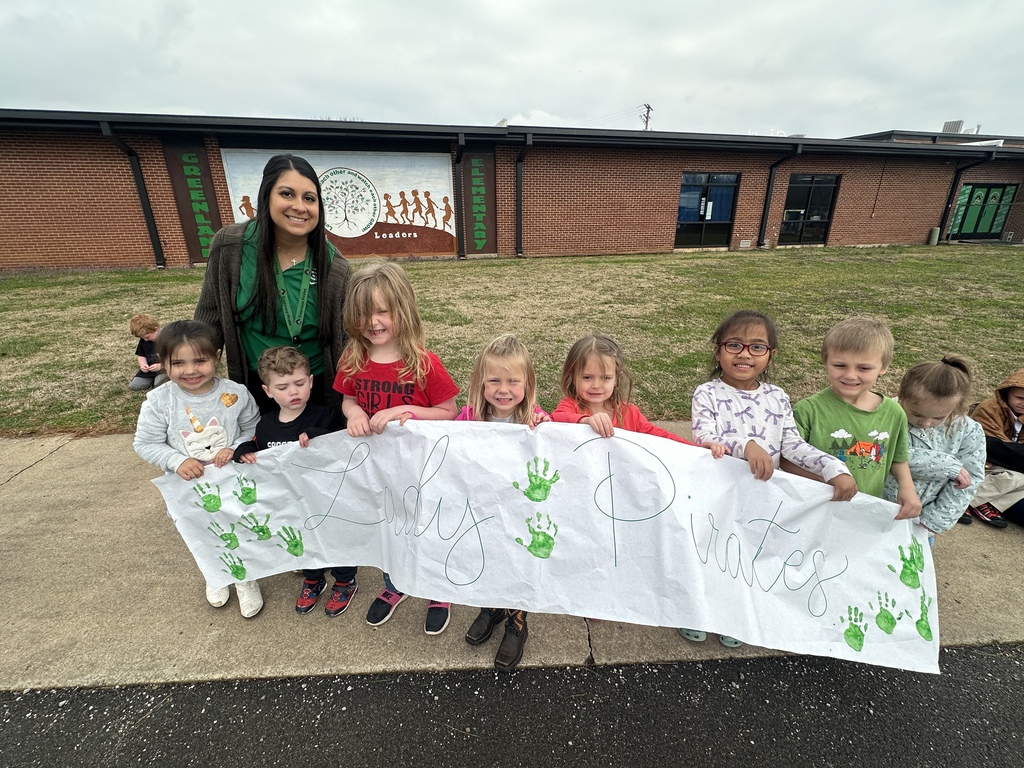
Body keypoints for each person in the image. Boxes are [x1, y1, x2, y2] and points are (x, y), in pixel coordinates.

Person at [684, 310, 858, 647]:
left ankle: (737, 616)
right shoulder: (706, 393)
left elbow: (792, 444)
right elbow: (703, 436)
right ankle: (696, 610)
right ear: (718, 351)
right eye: (734, 345)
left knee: (748, 556)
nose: (745, 353)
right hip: (717, 496)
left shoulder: (776, 397)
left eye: (757, 347)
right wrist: (745, 445)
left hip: (763, 499)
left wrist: (832, 467)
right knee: (710, 553)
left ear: (771, 355)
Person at [334, 260, 459, 635]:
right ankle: (396, 583)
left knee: (426, 525)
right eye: (363, 313)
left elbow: (449, 411)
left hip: (421, 469)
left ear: (402, 309)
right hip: (376, 470)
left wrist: (408, 410)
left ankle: (438, 588)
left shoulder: (423, 364)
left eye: (382, 311)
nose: (373, 322)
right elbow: (346, 398)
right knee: (389, 525)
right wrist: (354, 410)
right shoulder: (352, 359)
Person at [194, 154, 352, 414]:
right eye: (287, 194)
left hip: (315, 389)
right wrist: (190, 381)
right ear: (266, 195)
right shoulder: (231, 247)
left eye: (309, 198)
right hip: (256, 387)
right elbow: (208, 323)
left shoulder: (336, 266)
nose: (299, 206)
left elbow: (348, 341)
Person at [133, 319, 264, 618]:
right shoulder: (159, 401)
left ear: (216, 356)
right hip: (188, 486)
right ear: (163, 362)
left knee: (238, 527)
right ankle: (215, 574)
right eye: (178, 362)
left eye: (200, 361)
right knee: (203, 531)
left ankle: (245, 578)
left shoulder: (236, 393)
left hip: (232, 480)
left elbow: (252, 428)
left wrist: (237, 447)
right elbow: (145, 443)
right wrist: (177, 461)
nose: (190, 370)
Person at [233, 346, 357, 616]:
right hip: (290, 501)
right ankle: (313, 579)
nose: (293, 391)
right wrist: (243, 450)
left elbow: (347, 452)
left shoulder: (328, 416)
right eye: (283, 386)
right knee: (300, 541)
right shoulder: (265, 425)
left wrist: (322, 437)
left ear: (311, 382)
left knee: (336, 542)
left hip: (327, 501)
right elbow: (258, 451)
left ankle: (345, 581)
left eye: (300, 383)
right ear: (267, 391)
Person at [459, 334, 551, 670]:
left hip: (521, 511)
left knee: (518, 560)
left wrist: (546, 428)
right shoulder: (468, 419)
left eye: (513, 381)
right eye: (494, 380)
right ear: (480, 383)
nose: (503, 389)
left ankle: (517, 621)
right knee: (488, 557)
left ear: (527, 384)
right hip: (483, 509)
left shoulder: (534, 419)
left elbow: (554, 448)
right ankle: (491, 607)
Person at [785, 316, 922, 520]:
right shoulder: (808, 410)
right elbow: (787, 461)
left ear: (884, 366)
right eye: (840, 365)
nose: (850, 375)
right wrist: (828, 480)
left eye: (863, 368)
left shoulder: (894, 412)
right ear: (825, 361)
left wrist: (908, 489)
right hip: (815, 510)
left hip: (864, 511)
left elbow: (897, 457)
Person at [550, 333, 726, 455]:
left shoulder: (629, 413)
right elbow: (555, 420)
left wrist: (697, 449)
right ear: (572, 377)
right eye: (587, 377)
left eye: (606, 378)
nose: (596, 385)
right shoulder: (570, 407)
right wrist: (585, 420)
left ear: (617, 379)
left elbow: (659, 436)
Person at [881, 355, 985, 537]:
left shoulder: (968, 430)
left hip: (922, 523)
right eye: (916, 413)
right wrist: (945, 465)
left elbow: (969, 481)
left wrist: (933, 521)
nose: (926, 423)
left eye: (938, 417)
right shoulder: (884, 413)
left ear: (956, 407)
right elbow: (878, 452)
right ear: (902, 396)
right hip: (877, 510)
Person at [967, 367, 1024, 527]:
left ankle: (989, 505)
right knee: (1013, 477)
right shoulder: (989, 409)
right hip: (984, 464)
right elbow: (992, 447)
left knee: (1017, 477)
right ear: (1006, 394)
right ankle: (966, 500)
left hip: (1010, 467)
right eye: (1019, 397)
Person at [128, 313, 167, 391]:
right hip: (149, 369)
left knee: (160, 385)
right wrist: (143, 365)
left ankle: (157, 379)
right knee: (134, 386)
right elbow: (141, 355)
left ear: (156, 329)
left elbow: (175, 358)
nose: (145, 340)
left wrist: (161, 366)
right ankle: (151, 379)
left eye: (147, 337)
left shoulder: (167, 339)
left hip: (165, 368)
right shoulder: (144, 340)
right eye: (142, 338)